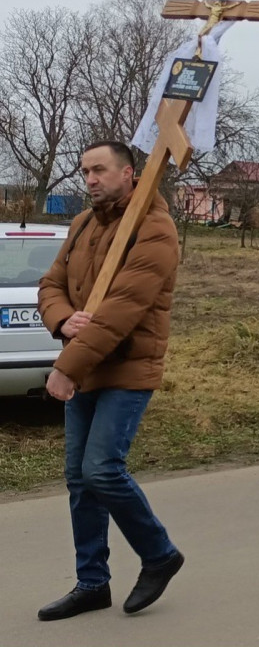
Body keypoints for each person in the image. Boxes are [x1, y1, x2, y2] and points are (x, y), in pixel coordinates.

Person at [35, 141, 186, 620]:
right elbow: (49, 285)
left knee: (101, 469)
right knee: (80, 480)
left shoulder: (156, 228)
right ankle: (92, 583)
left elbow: (121, 311)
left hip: (126, 367)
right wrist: (63, 322)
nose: (91, 179)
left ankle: (159, 554)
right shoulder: (81, 224)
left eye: (100, 170)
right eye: (85, 172)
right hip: (87, 361)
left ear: (129, 173)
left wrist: (66, 367)